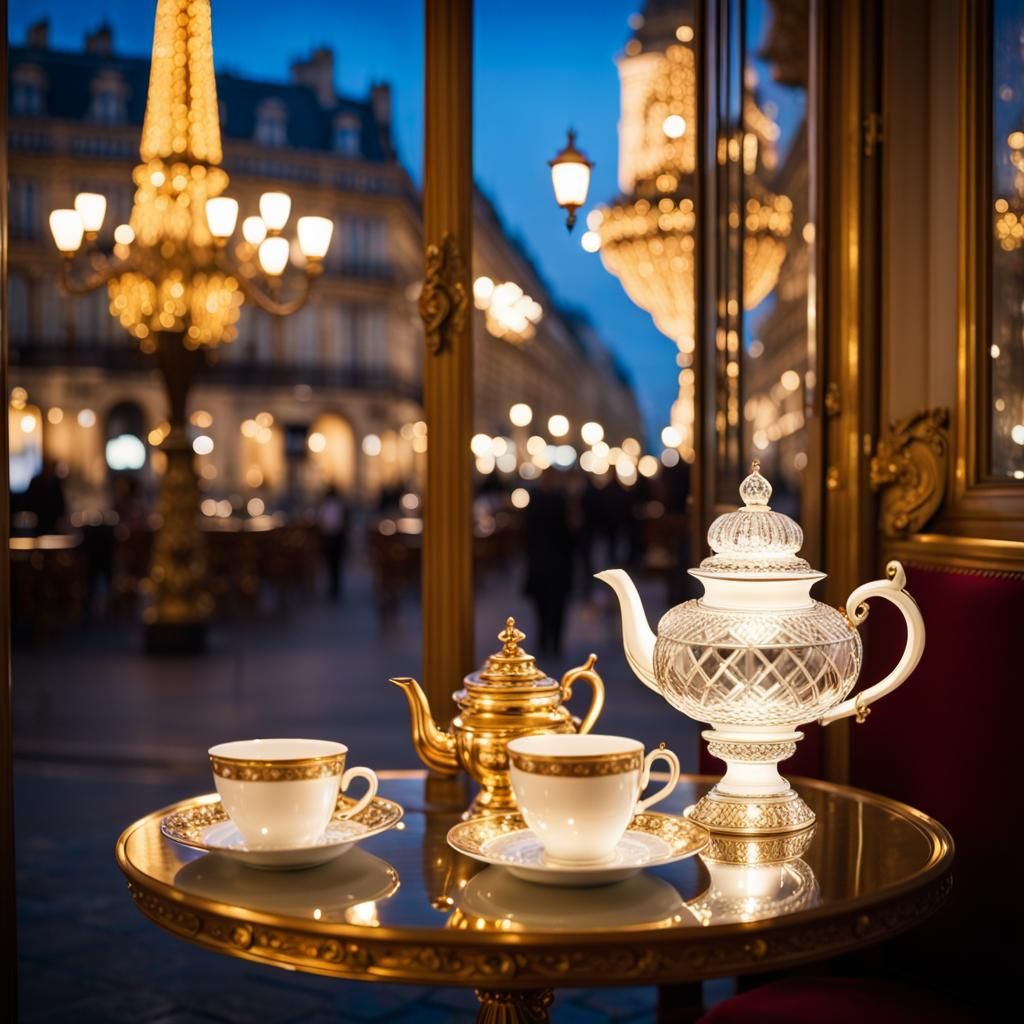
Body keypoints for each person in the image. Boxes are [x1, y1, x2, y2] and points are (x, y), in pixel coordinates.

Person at [524, 471, 574, 655]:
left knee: (550, 606)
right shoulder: (560, 500)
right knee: (547, 606)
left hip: (548, 562)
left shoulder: (543, 499)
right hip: (552, 562)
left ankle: (549, 641)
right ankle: (549, 641)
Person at [318, 484, 349, 601]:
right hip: (330, 537)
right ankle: (333, 588)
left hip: (336, 537)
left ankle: (335, 588)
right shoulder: (327, 505)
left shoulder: (335, 505)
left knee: (335, 564)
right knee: (331, 564)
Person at [24, 459, 66, 536]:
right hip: (39, 521)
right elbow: (29, 501)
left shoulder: (55, 483)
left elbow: (61, 503)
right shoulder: (36, 482)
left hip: (53, 522)